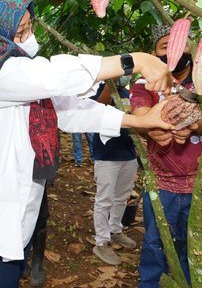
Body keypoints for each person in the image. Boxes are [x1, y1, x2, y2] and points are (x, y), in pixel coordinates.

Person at [0, 0, 174, 288]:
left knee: (12, 274)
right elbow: (53, 76)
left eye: (30, 28)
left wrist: (138, 120)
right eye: (20, 32)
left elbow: (69, 109)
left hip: (22, 200)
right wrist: (133, 60)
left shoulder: (17, 68)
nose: (29, 37)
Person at [132, 24, 202, 286]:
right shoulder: (145, 82)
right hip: (164, 183)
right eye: (166, 46)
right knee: (155, 243)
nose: (174, 51)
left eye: (181, 44)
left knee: (198, 248)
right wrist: (151, 130)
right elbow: (140, 114)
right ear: (155, 52)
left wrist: (195, 124)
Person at [90, 81, 138, 266]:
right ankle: (101, 241)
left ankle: (115, 229)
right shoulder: (100, 90)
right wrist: (110, 84)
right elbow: (98, 109)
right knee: (104, 199)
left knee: (122, 197)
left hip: (128, 154)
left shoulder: (128, 93)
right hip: (107, 155)